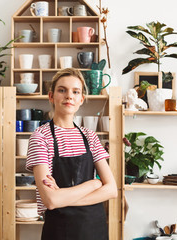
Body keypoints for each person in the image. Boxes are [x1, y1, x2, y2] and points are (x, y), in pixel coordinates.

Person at [25, 68, 117, 240]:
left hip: (94, 230)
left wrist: (63, 198)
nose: (69, 96)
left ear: (81, 99)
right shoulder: (40, 136)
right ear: (51, 96)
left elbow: (112, 190)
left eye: (75, 92)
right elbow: (51, 200)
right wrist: (93, 185)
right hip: (60, 231)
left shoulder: (90, 136)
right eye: (62, 90)